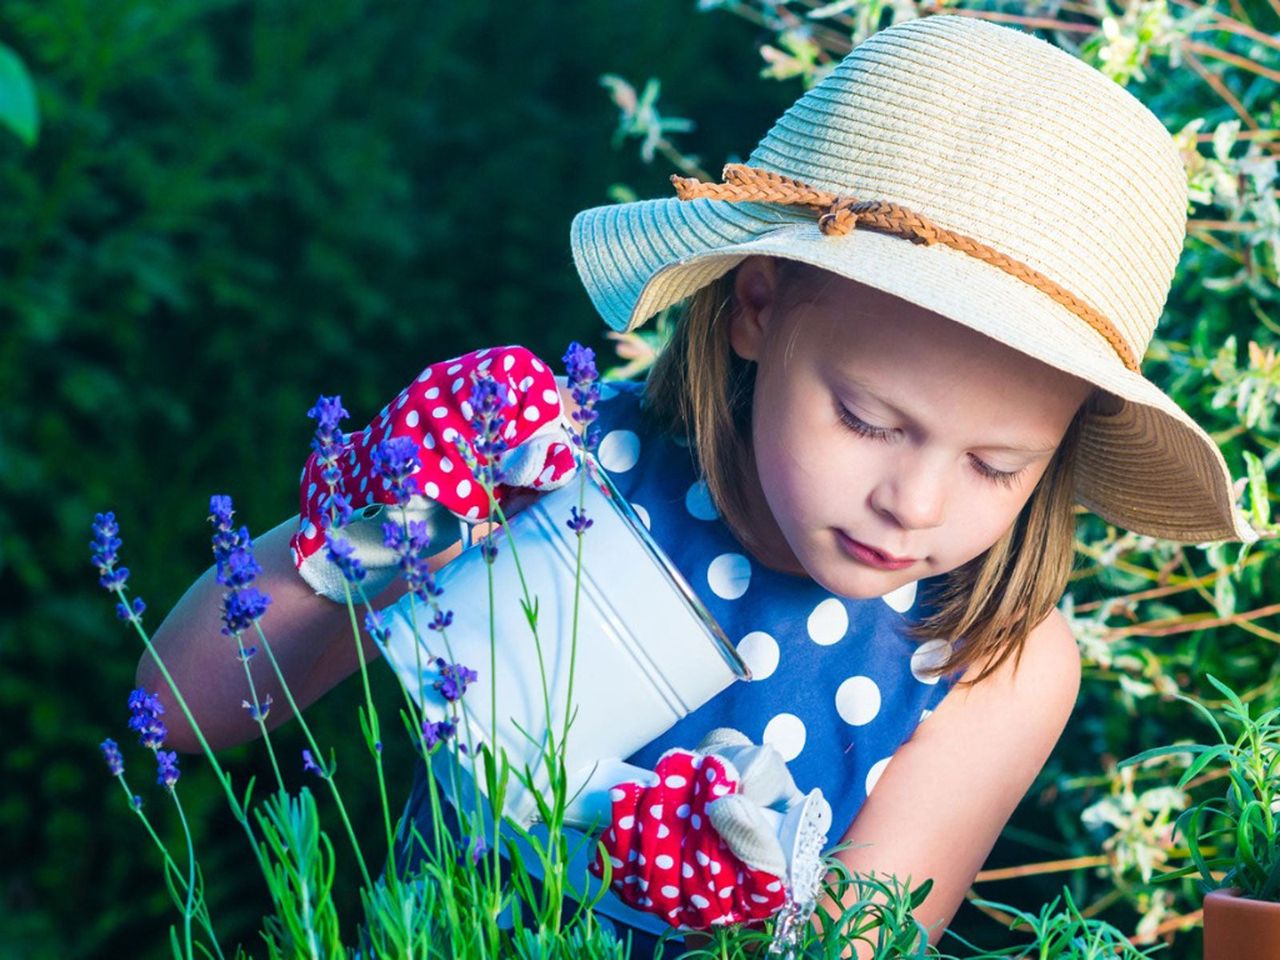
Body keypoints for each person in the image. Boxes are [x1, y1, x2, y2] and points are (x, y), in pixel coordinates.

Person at [138, 12, 1259, 959]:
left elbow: (857, 941)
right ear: (757, 304)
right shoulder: (545, 465)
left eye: (994, 465)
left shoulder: (992, 662)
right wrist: (395, 526)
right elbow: (179, 709)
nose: (912, 505)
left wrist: (760, 903)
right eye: (868, 419)